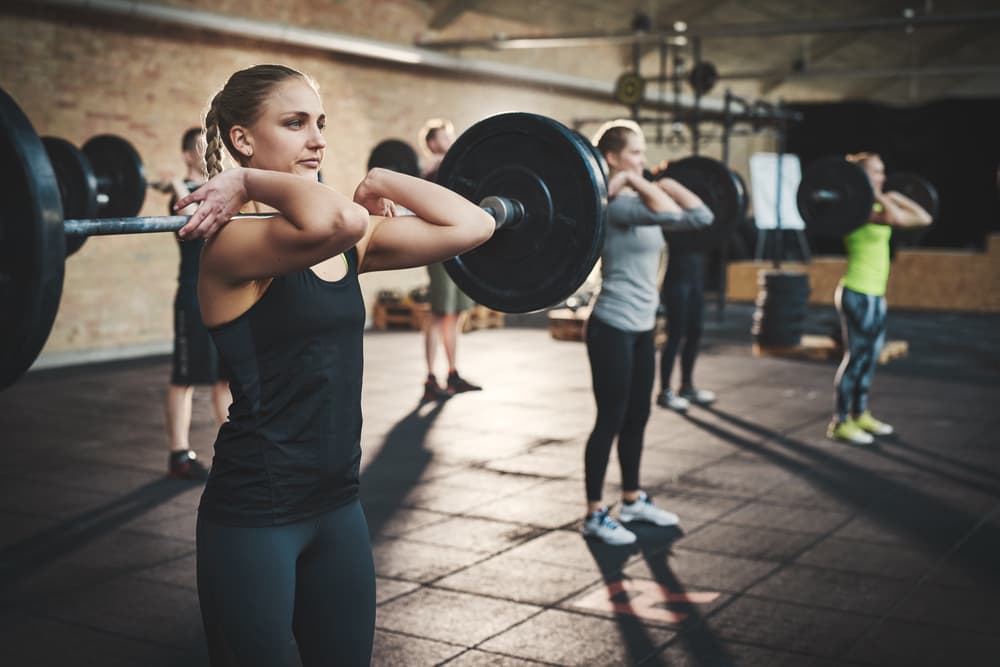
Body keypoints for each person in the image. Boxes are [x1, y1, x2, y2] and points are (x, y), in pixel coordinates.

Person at [174, 64, 494, 666]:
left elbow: (475, 225)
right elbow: (341, 218)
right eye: (295, 124)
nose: (317, 140)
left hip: (339, 505)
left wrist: (382, 179)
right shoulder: (234, 245)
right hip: (256, 514)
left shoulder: (343, 244)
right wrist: (247, 182)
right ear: (243, 139)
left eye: (321, 123)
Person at [582, 122, 714, 545]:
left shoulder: (642, 201)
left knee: (637, 416)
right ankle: (594, 514)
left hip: (641, 327)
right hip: (612, 325)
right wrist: (639, 182)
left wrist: (668, 183)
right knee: (610, 418)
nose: (644, 160)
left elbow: (703, 216)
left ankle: (632, 499)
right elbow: (671, 214)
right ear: (614, 157)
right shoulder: (617, 206)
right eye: (635, 153)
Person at [827, 152, 931, 445]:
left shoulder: (878, 202)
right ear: (861, 177)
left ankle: (860, 414)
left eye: (882, 171)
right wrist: (881, 196)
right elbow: (895, 218)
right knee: (856, 358)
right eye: (875, 172)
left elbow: (924, 217)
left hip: (875, 294)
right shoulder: (854, 209)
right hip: (857, 291)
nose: (882, 177)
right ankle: (840, 422)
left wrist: (892, 195)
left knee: (870, 359)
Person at [159, 127, 231, 479]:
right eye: (203, 148)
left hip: (224, 294)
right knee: (184, 378)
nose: (210, 153)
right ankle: (179, 454)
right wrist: (176, 184)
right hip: (192, 296)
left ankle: (233, 451)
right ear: (189, 155)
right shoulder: (180, 195)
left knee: (225, 379)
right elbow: (198, 222)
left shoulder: (220, 191)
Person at [419, 118, 482, 401]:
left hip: (459, 247)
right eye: (445, 136)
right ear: (433, 143)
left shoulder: (456, 165)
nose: (451, 139)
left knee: (455, 315)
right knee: (439, 313)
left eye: (451, 135)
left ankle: (453, 374)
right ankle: (430, 379)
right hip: (438, 247)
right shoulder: (432, 168)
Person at [656, 220, 716, 412]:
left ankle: (687, 386)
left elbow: (712, 222)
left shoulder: (699, 218)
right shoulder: (673, 217)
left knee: (695, 331)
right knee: (675, 334)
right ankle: (665, 391)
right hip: (675, 278)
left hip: (695, 278)